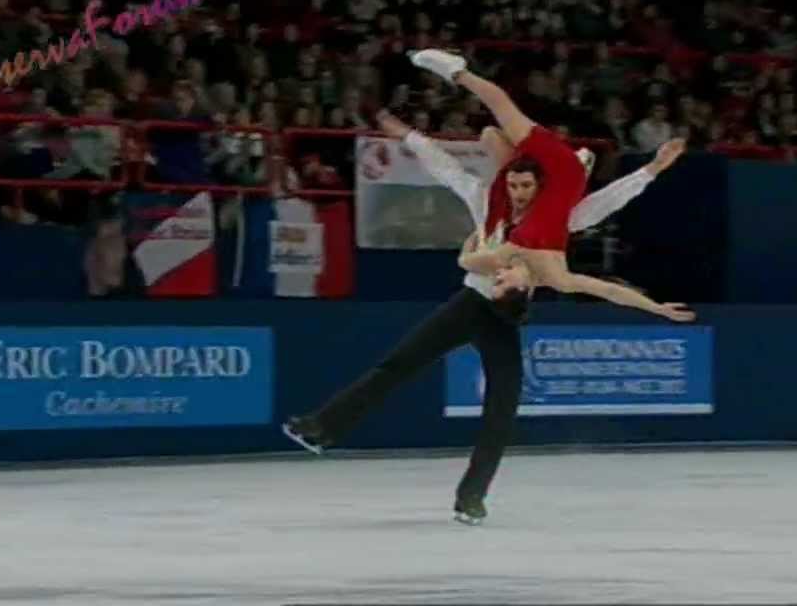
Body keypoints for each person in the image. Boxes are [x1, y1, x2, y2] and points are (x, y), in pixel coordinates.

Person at [284, 111, 687, 525]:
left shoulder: (558, 218)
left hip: (507, 315)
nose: (517, 193)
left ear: (541, 185)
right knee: (398, 365)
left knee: (502, 409)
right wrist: (409, 136)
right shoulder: (486, 201)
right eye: (512, 184)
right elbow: (447, 169)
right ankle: (321, 428)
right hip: (471, 303)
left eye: (525, 185)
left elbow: (607, 206)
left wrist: (652, 169)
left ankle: (471, 497)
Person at [411, 48, 694, 320]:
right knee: (501, 105)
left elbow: (466, 263)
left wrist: (470, 251)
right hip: (563, 172)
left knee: (490, 136)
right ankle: (456, 70)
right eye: (501, 283)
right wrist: (656, 308)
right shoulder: (557, 276)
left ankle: (458, 73)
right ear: (523, 288)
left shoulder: (503, 257)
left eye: (494, 282)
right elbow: (609, 290)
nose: (497, 276)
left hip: (534, 182)